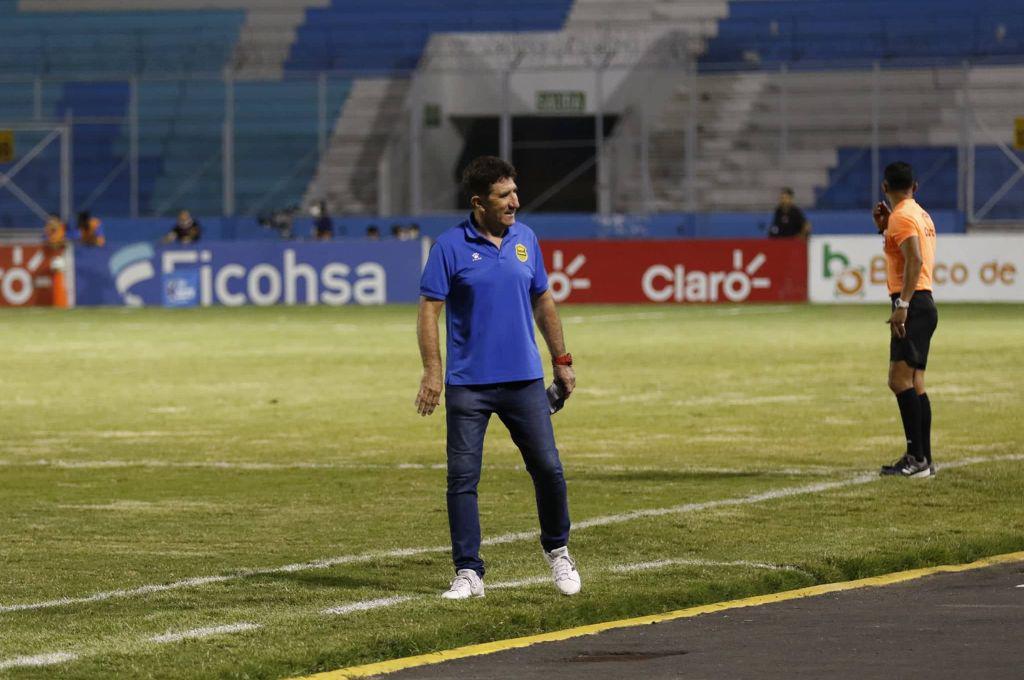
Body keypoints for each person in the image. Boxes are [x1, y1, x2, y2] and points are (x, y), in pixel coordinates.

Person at [416, 155, 580, 599]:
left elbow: (544, 300)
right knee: (462, 479)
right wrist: (434, 371)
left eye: (514, 192)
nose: (515, 202)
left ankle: (558, 552)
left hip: (524, 381)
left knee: (548, 468)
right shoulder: (449, 247)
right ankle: (469, 571)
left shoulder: (526, 239)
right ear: (478, 202)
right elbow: (429, 311)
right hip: (468, 384)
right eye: (504, 195)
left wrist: (560, 360)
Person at [872, 162, 938, 478]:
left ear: (885, 187)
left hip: (913, 303)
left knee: (898, 381)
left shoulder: (902, 217)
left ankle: (916, 458)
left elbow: (914, 259)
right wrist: (884, 229)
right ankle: (924, 460)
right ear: (916, 185)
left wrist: (903, 304)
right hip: (923, 303)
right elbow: (907, 255)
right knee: (915, 382)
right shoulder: (919, 214)